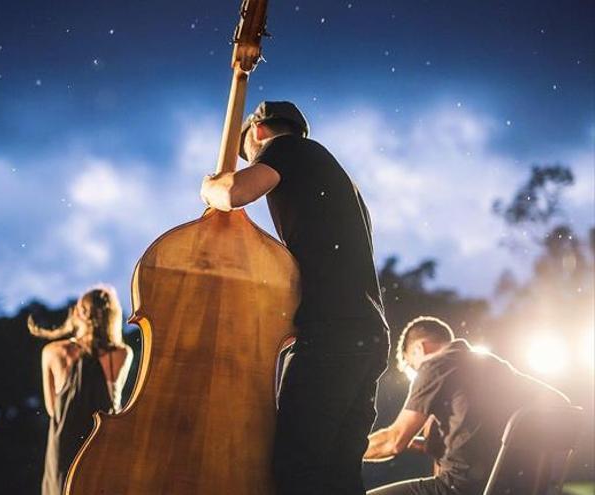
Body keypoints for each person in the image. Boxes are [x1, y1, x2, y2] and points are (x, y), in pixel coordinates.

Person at [200, 100, 390, 494]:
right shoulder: (333, 172)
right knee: (338, 474)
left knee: (295, 467)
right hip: (368, 333)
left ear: (258, 132)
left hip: (332, 330)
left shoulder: (284, 149)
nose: (249, 159)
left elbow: (234, 192)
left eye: (247, 153)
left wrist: (210, 185)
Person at [364, 316, 569, 495]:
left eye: (411, 366)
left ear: (421, 348)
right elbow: (563, 405)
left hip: (461, 488)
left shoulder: (435, 364)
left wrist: (346, 449)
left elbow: (393, 441)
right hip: (517, 487)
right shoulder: (492, 365)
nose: (415, 375)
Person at [28, 285, 134, 495]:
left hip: (64, 447)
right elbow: (115, 404)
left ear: (78, 312)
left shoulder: (52, 352)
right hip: (101, 443)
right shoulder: (122, 354)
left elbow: (52, 410)